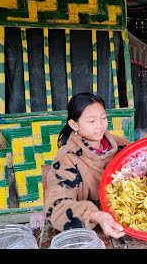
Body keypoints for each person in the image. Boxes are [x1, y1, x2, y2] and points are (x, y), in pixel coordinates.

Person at [43, 92, 129, 238]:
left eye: (103, 118)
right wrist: (95, 216)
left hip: (130, 223)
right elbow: (56, 208)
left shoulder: (119, 144)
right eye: (91, 121)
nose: (100, 125)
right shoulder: (67, 158)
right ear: (74, 124)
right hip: (93, 235)